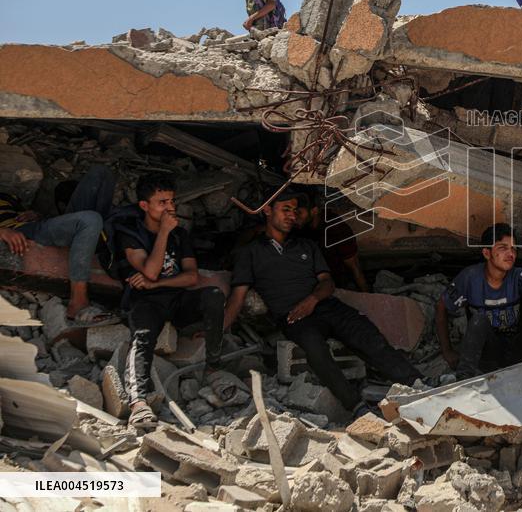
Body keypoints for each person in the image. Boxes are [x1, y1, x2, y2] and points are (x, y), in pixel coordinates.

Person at [226, 192, 421, 418]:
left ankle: (416, 382)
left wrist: (312, 300)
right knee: (316, 350)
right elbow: (237, 297)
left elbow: (327, 282)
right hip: (295, 318)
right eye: (285, 210)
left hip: (326, 306)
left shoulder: (306, 245)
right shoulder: (250, 253)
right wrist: (217, 331)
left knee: (366, 334)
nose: (292, 216)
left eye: (294, 211)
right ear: (268, 211)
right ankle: (356, 406)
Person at [119, 174, 226, 430]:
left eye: (172, 201)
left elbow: (191, 277)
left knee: (213, 295)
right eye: (162, 202)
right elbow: (151, 270)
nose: (170, 208)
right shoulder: (131, 234)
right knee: (143, 338)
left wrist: (157, 284)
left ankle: (213, 367)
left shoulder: (180, 235)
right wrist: (164, 232)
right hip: (145, 301)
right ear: (144, 206)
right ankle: (138, 403)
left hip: (175, 299)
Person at [435, 224, 522, 379]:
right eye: (503, 248)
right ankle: (464, 378)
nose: (510, 253)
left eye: (513, 249)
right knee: (479, 320)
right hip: (488, 353)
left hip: (516, 349)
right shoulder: (470, 277)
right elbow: (441, 307)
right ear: (487, 253)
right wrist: (447, 351)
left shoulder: (518, 276)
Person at [0, 165, 115, 323]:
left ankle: (101, 234)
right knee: (90, 219)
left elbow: (26, 215)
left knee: (101, 173)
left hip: (39, 226)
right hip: (22, 231)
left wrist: (35, 214)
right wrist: (2, 231)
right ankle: (77, 302)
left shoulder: (7, 197)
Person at [293, 190, 369, 293]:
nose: (294, 217)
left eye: (299, 213)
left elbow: (354, 267)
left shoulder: (337, 230)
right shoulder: (300, 228)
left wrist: (367, 296)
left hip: (335, 286)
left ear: (314, 211)